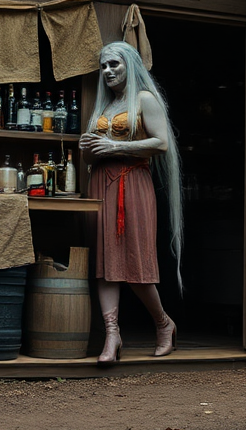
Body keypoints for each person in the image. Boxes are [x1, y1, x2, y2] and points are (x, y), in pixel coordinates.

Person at [78, 41, 183, 366]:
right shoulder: (104, 106)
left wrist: (112, 147)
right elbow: (94, 152)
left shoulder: (144, 99)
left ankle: (164, 324)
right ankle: (113, 334)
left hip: (132, 184)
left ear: (131, 66)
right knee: (105, 262)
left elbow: (162, 143)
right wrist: (89, 148)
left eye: (115, 65)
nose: (108, 71)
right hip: (101, 184)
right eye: (104, 66)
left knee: (135, 263)